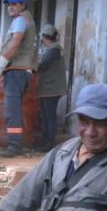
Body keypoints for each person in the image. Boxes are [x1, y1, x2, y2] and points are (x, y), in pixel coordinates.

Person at [0, 0, 38, 157]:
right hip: (21, 71)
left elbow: (15, 43)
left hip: (17, 71)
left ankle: (14, 145)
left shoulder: (20, 20)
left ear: (22, 5)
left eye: (15, 4)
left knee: (12, 110)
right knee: (14, 108)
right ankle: (15, 143)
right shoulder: (25, 19)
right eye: (9, 4)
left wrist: (1, 64)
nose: (11, 7)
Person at [36, 24, 67, 152]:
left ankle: (49, 142)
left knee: (49, 116)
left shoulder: (54, 50)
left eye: (42, 37)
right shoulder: (51, 49)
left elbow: (43, 65)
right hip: (47, 88)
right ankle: (44, 140)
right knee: (45, 116)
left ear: (45, 37)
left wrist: (31, 66)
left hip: (51, 88)